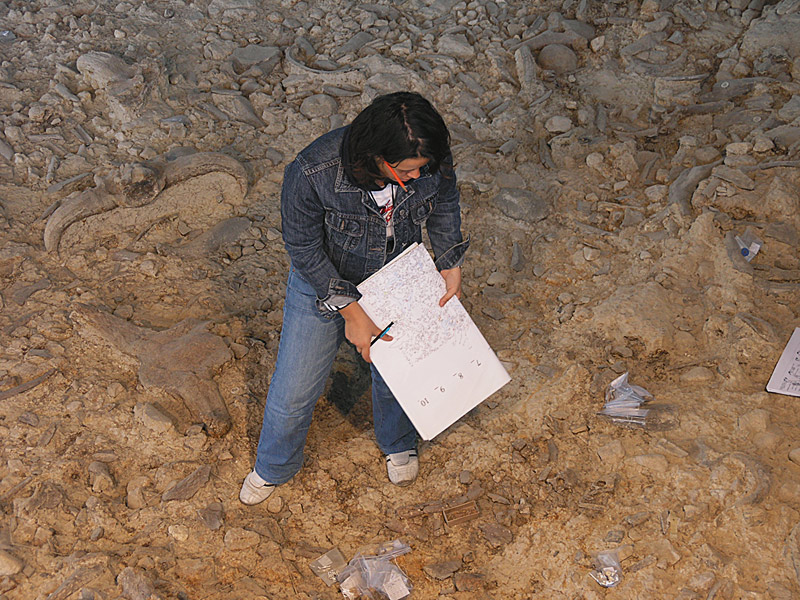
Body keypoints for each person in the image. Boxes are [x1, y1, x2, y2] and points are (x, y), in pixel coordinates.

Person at [239, 91, 469, 505]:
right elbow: (304, 246)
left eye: (422, 171)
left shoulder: (428, 158)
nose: (416, 179)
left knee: (401, 372)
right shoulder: (313, 171)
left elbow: (444, 200)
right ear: (376, 157)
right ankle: (273, 465)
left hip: (399, 274)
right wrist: (351, 310)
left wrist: (449, 257)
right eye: (406, 174)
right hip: (325, 279)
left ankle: (398, 441)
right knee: (294, 388)